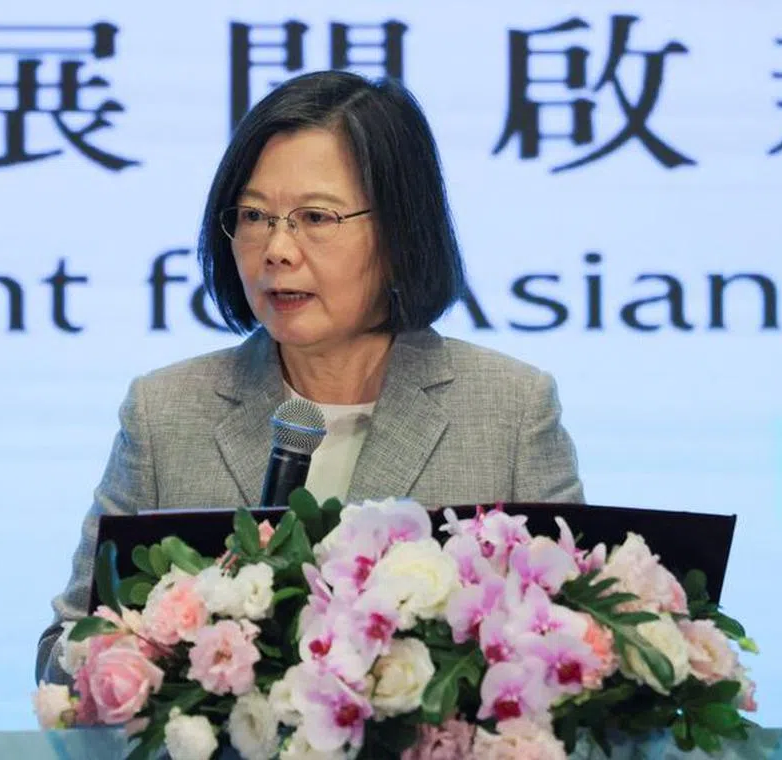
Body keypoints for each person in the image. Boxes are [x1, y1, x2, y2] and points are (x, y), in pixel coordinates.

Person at [35, 70, 584, 683]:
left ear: (400, 232)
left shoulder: (509, 411)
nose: (276, 249)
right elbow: (64, 650)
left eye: (315, 218)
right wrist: (183, 652)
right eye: (254, 215)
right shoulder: (166, 413)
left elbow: (568, 646)